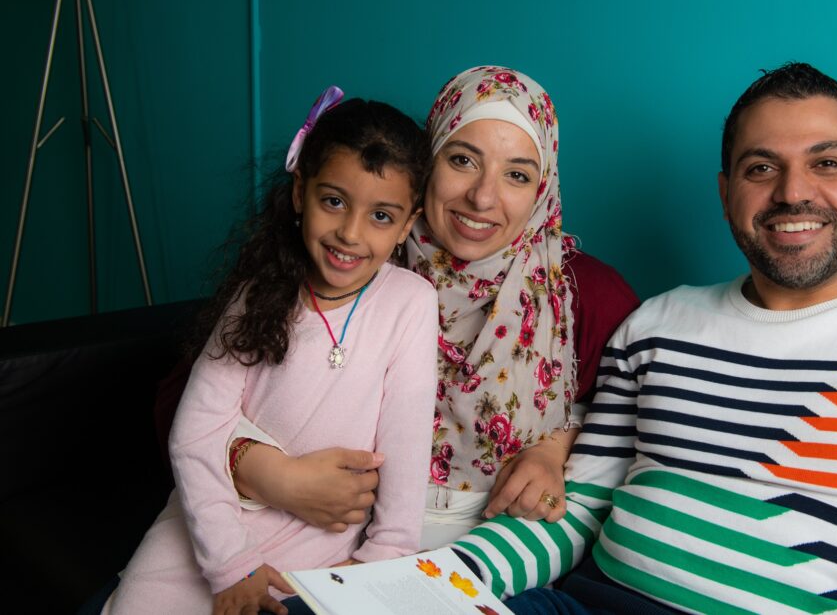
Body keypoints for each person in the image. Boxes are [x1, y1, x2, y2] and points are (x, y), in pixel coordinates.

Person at [451, 63, 837, 614]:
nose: (793, 193)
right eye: (761, 168)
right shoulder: (655, 325)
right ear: (726, 195)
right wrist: (439, 580)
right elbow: (572, 512)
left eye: (826, 163)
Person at [228, 66, 640, 549]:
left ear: (543, 190)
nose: (483, 197)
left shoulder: (583, 291)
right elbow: (187, 395)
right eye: (463, 160)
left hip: (494, 549)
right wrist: (267, 473)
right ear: (428, 160)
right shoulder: (348, 251)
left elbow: (642, 420)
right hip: (323, 536)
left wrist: (555, 447)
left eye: (516, 175)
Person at [103, 91, 439, 615]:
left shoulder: (411, 303)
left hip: (321, 539)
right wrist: (230, 563)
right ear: (301, 192)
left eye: (380, 215)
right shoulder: (257, 295)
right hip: (214, 520)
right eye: (334, 201)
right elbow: (194, 436)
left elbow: (408, 439)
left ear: (406, 224)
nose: (350, 233)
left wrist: (385, 553)